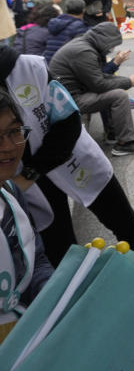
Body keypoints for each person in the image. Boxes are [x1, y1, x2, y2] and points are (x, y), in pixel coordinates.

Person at [0, 42, 134, 270]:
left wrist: (32, 172)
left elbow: (69, 120)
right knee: (60, 250)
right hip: (25, 183)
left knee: (125, 224)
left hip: (71, 158)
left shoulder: (29, 68)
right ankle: (77, 301)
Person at [49, 23, 134, 156]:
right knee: (119, 95)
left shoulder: (85, 45)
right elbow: (99, 84)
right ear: (104, 40)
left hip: (72, 94)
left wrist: (127, 80)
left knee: (113, 92)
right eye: (111, 44)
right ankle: (125, 143)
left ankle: (114, 134)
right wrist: (128, 82)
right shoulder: (84, 51)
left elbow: (99, 76)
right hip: (69, 101)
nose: (112, 48)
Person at [0, 88, 54, 323]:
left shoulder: (11, 193)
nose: (9, 147)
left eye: (14, 131)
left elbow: (35, 259)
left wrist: (54, 293)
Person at [42, 0, 88, 65]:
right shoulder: (80, 27)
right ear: (83, 10)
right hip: (64, 67)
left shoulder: (54, 23)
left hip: (47, 64)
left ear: (66, 9)